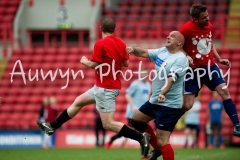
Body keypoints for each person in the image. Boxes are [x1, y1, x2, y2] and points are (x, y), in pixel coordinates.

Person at [36, 17, 150, 158]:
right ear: (114, 30)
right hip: (103, 86)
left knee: (108, 124)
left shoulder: (100, 44)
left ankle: (141, 138)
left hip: (106, 88)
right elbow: (126, 64)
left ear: (101, 29)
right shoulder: (121, 43)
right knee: (78, 101)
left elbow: (92, 64)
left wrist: (84, 60)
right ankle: (52, 126)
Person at [179, 3, 240, 137]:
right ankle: (169, 120)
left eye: (208, 16)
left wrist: (219, 59)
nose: (208, 19)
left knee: (225, 92)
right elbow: (177, 47)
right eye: (204, 17)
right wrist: (187, 56)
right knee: (187, 105)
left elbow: (209, 44)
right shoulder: (186, 29)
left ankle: (237, 126)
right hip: (193, 71)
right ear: (195, 19)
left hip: (210, 67)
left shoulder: (209, 26)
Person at [126, 31, 189, 160]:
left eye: (172, 36)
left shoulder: (181, 59)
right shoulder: (163, 51)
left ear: (179, 43)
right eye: (168, 35)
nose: (168, 37)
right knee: (136, 121)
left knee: (163, 140)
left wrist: (162, 93)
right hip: (155, 100)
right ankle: (157, 149)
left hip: (169, 104)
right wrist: (133, 49)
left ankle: (159, 148)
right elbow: (144, 52)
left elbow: (171, 80)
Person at [105, 67, 151, 159]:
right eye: (142, 73)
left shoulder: (148, 85)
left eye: (145, 73)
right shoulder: (135, 84)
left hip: (143, 113)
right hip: (133, 113)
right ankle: (143, 154)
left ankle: (143, 154)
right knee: (131, 132)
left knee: (138, 132)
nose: (143, 75)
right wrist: (133, 106)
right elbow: (127, 95)